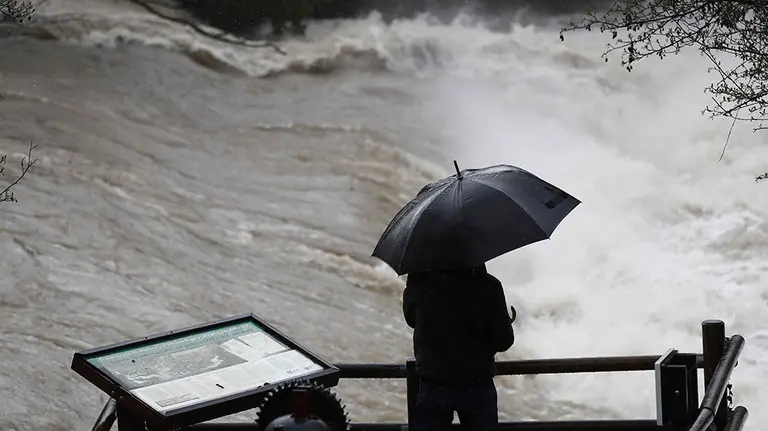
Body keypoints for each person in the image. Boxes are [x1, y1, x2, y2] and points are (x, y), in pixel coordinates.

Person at [402, 264, 515, 431]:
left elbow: (411, 319)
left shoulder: (419, 281)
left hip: (433, 380)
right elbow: (503, 341)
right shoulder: (489, 285)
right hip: (476, 382)